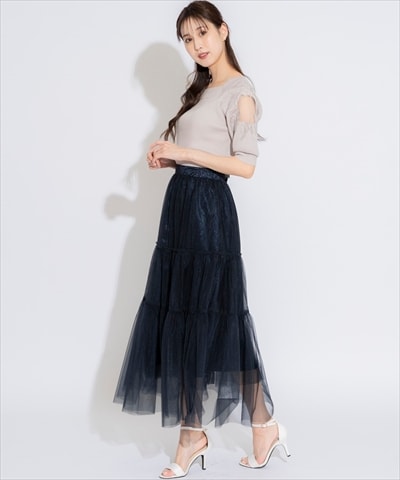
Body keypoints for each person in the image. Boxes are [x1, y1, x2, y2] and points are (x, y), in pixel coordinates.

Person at [114, 1, 290, 478]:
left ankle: (260, 425)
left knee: (216, 318)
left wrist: (185, 152)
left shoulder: (241, 93)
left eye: (202, 33)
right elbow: (199, 153)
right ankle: (195, 435)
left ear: (223, 30)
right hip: (181, 210)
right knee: (183, 316)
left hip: (210, 212)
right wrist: (170, 159)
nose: (197, 45)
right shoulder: (200, 89)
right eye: (188, 40)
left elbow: (245, 166)